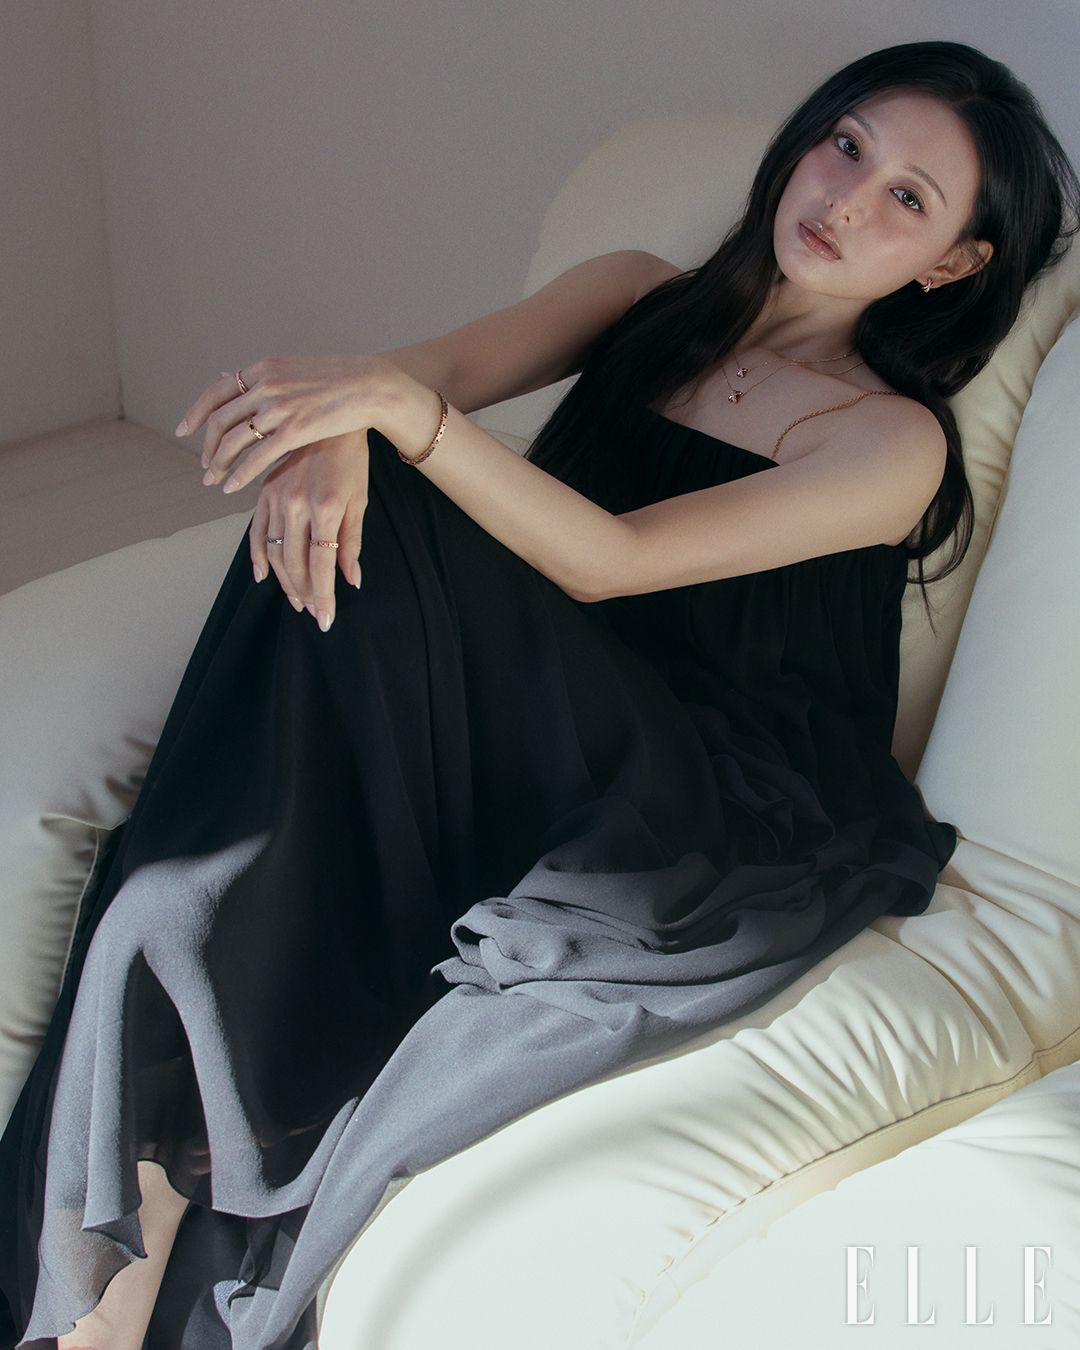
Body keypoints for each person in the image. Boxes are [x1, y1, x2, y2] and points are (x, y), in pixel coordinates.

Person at [2, 36, 1078, 1350]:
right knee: (190, 874)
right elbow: (414, 378)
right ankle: (105, 1284)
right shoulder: (636, 294)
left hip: (696, 778)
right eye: (845, 143)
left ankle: (116, 1285)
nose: (847, 198)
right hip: (516, 703)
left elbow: (605, 558)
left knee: (398, 502)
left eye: (908, 197)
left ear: (953, 264)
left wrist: (381, 419)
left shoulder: (892, 440)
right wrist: (338, 433)